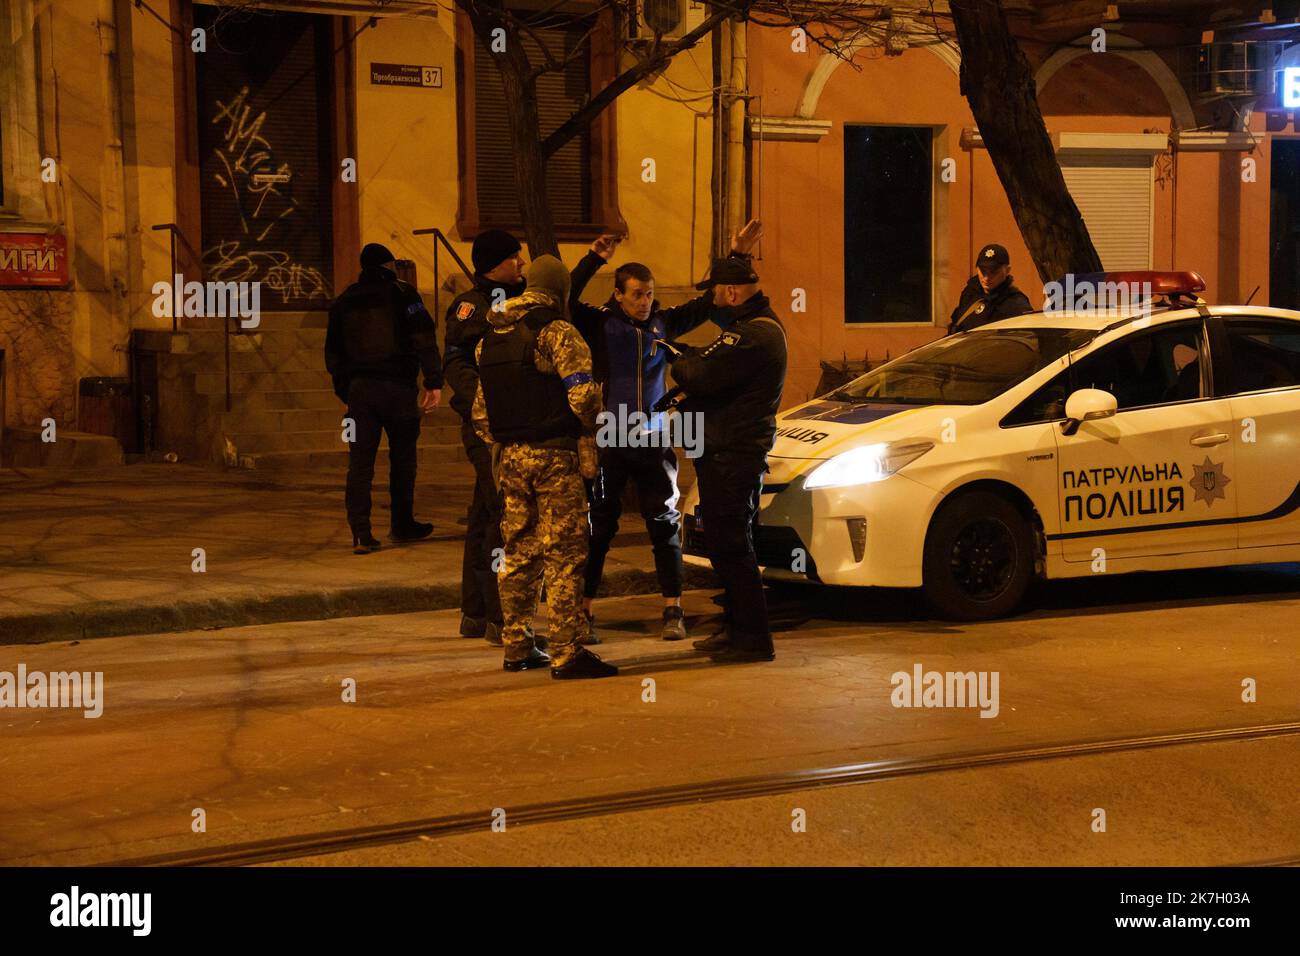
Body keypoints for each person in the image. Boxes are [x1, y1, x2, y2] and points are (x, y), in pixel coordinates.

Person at [567, 221, 764, 643]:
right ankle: (583, 612)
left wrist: (738, 257)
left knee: (664, 522)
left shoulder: (664, 324)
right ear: (618, 294)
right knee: (600, 526)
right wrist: (594, 258)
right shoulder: (601, 325)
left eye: (650, 294)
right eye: (636, 294)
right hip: (612, 436)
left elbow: (714, 299)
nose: (644, 302)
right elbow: (565, 296)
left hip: (654, 439)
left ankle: (672, 609)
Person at [471, 255, 618, 680]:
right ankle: (566, 652)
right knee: (565, 554)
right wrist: (590, 427)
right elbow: (584, 398)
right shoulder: (558, 333)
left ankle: (517, 646)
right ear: (560, 291)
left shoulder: (490, 338)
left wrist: (507, 442)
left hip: (511, 459)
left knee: (518, 552)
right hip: (555, 457)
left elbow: (481, 414)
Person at [660, 256, 787, 664]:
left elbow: (698, 374)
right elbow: (707, 361)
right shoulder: (746, 331)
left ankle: (752, 639)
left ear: (731, 292)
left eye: (715, 291)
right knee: (728, 543)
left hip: (733, 454)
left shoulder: (752, 335)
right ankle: (735, 627)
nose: (712, 299)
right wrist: (686, 353)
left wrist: (673, 356)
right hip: (727, 451)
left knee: (731, 546)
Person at [325, 242, 441, 554]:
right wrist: (433, 380)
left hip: (361, 392)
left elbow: (332, 354)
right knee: (403, 460)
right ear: (389, 265)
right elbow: (424, 337)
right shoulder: (404, 294)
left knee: (360, 463)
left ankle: (361, 532)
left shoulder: (343, 301)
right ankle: (402, 525)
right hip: (399, 389)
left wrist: (346, 390)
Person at [442, 230, 525, 644]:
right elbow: (456, 364)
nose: (521, 263)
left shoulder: (520, 299)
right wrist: (484, 401)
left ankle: (474, 613)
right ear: (495, 263)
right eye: (514, 257)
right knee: (500, 515)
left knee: (482, 517)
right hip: (486, 426)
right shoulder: (471, 308)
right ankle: (500, 617)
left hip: (508, 422)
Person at [947, 243, 1033, 334]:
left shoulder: (1016, 303)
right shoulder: (971, 292)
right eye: (983, 271)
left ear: (1007, 270)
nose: (987, 278)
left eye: (994, 272)